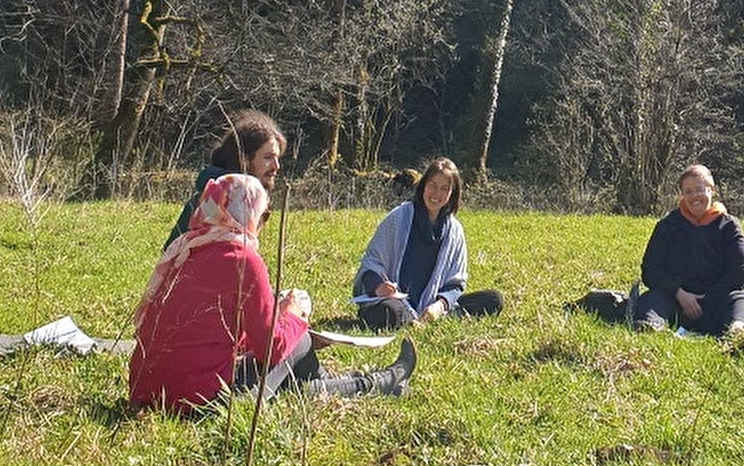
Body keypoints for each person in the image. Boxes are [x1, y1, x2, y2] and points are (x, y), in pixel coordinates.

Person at [131, 172, 415, 414]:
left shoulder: (186, 249)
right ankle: (374, 383)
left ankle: (371, 382)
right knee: (300, 340)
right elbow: (272, 348)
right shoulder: (242, 258)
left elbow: (212, 330)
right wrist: (292, 316)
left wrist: (271, 316)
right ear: (248, 212)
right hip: (200, 402)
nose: (263, 224)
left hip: (148, 392)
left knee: (291, 380)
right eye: (263, 214)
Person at [352, 157, 505, 330]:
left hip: (432, 306)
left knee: (494, 299)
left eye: (444, 189)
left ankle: (429, 318)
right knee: (388, 312)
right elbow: (370, 264)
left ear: (452, 193)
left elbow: (455, 283)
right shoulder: (398, 218)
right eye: (432, 186)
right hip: (394, 302)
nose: (436, 194)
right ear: (423, 185)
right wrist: (379, 287)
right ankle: (408, 319)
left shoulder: (455, 231)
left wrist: (440, 305)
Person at [632, 164, 744, 335]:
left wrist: (707, 298)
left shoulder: (729, 226)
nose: (694, 196)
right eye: (688, 191)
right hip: (675, 303)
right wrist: (679, 294)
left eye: (699, 190)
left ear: (711, 190)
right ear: (681, 195)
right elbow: (651, 270)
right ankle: (651, 327)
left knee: (741, 299)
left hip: (716, 302)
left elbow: (741, 273)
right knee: (652, 298)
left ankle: (737, 330)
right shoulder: (668, 225)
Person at [165, 110, 284, 251]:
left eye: (277, 158)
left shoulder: (245, 197)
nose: (276, 166)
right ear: (244, 159)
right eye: (268, 157)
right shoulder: (226, 201)